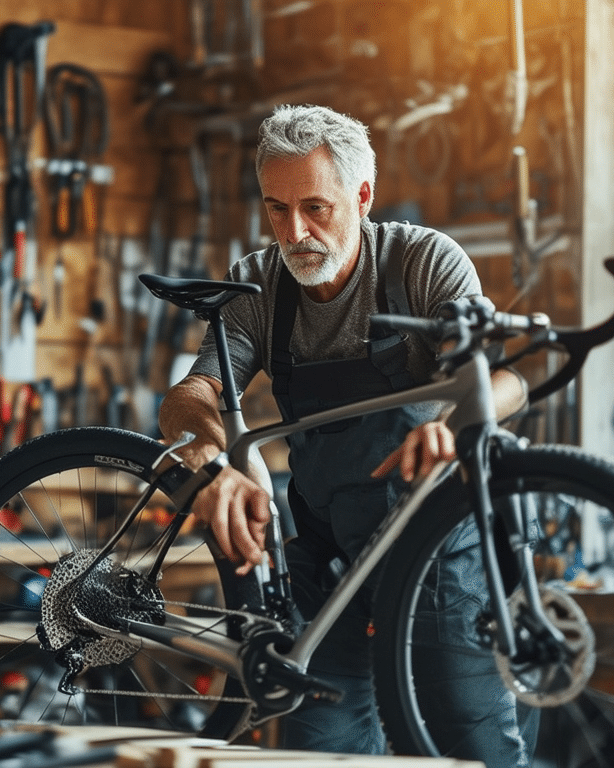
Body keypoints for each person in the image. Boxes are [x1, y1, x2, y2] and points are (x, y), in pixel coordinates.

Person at [157, 104, 534, 763]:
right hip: (327, 562)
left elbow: (504, 383)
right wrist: (212, 462)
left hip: (435, 553)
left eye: (315, 208)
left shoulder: (422, 264)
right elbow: (188, 398)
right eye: (276, 209)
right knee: (322, 753)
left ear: (362, 197)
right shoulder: (258, 285)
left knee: (474, 748)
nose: (294, 231)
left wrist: (454, 425)